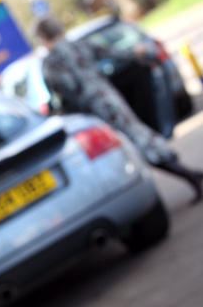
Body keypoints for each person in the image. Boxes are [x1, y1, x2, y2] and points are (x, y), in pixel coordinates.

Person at [33, 15, 203, 203]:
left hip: (93, 114)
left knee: (133, 148)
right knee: (141, 140)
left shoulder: (50, 64)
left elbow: (64, 92)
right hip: (111, 100)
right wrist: (138, 51)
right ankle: (191, 176)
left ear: (42, 36)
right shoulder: (81, 45)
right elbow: (116, 53)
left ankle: (191, 177)